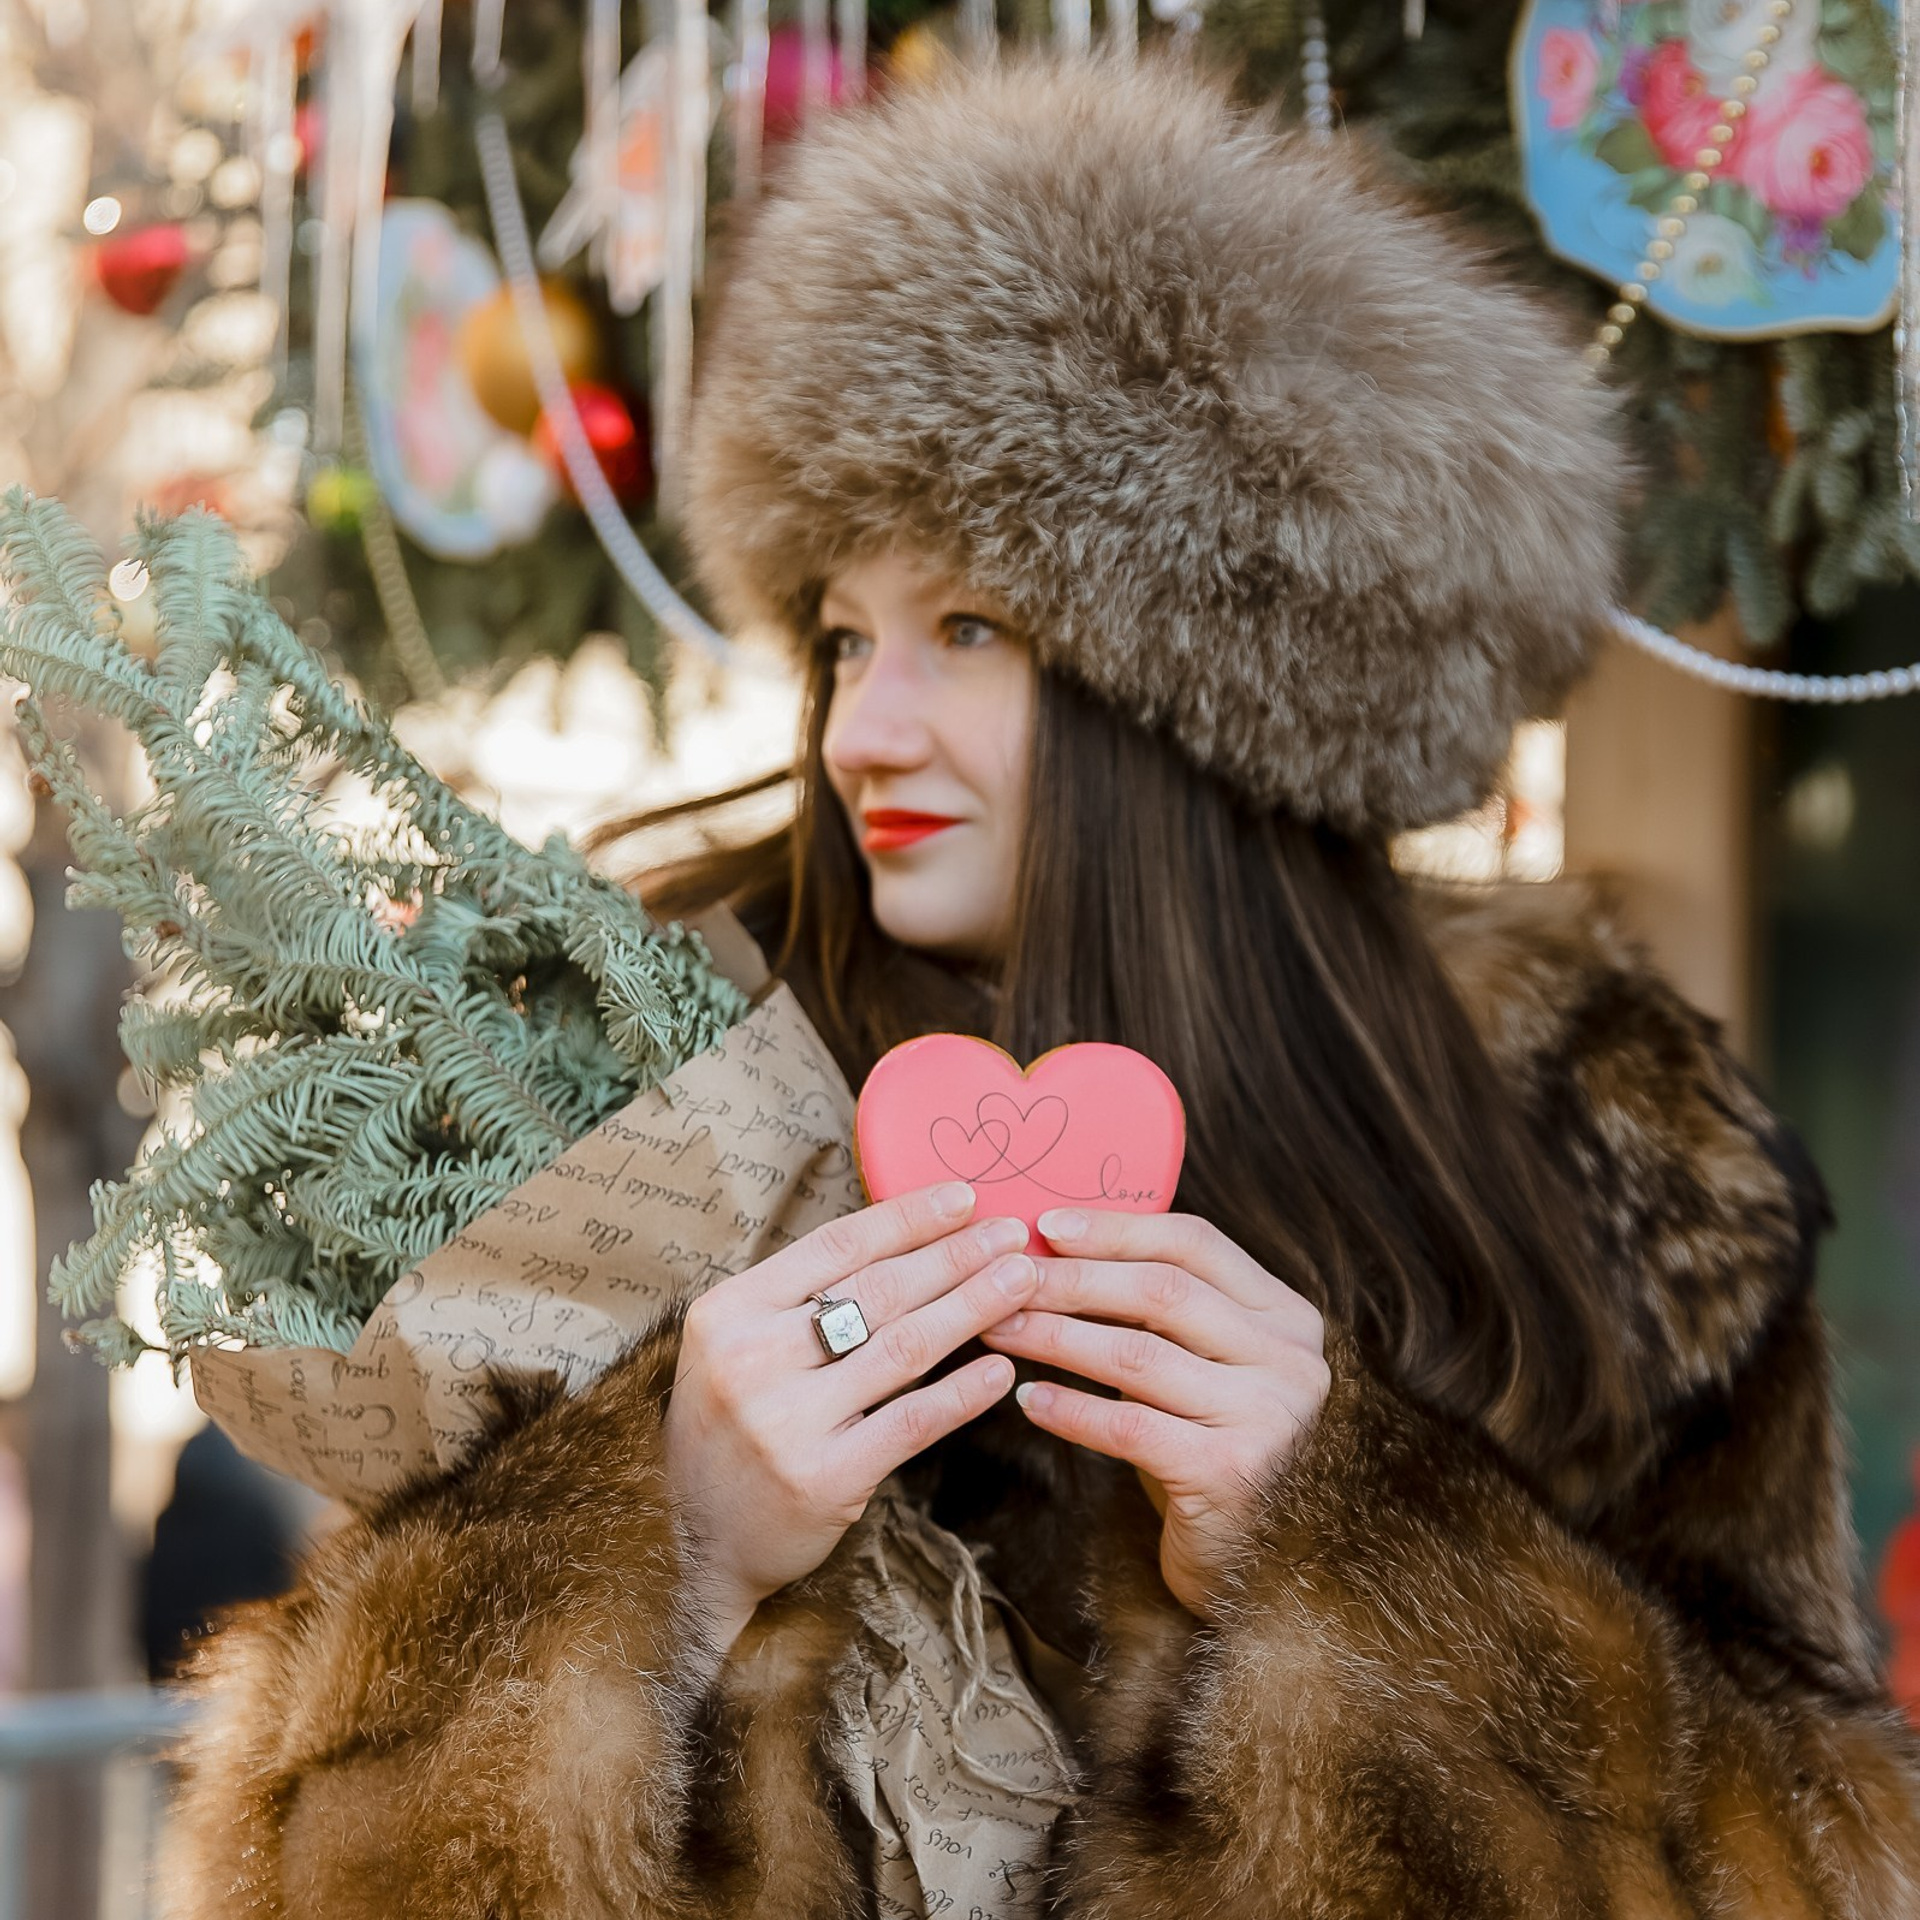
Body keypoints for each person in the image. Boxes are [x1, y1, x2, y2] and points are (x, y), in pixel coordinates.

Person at [161, 49, 1920, 1918]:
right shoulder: (628, 1093)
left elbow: (1822, 1862)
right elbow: (302, 1874)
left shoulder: (1607, 1167)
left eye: (971, 627)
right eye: (843, 633)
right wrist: (656, 1559)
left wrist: (1358, 1560)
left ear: (1210, 691)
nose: (864, 725)